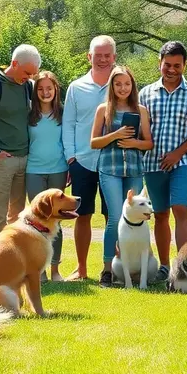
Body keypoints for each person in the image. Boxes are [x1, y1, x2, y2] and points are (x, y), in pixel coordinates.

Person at [138, 41, 187, 282]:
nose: (172, 69)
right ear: (160, 64)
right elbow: (140, 130)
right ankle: (165, 265)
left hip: (182, 161)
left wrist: (178, 153)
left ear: (185, 65)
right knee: (160, 214)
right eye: (167, 65)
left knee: (180, 208)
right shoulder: (145, 93)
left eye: (177, 65)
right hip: (153, 163)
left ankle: (183, 266)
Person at [91, 66, 154, 287]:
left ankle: (136, 268)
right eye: (118, 84)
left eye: (127, 84)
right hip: (109, 169)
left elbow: (148, 143)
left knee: (134, 220)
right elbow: (94, 142)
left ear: (132, 85)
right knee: (116, 218)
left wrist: (133, 143)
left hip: (134, 170)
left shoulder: (141, 110)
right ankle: (107, 269)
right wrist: (116, 135)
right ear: (112, 86)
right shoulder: (103, 110)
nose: (122, 88)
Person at [62, 35, 117, 280]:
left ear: (114, 57)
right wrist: (71, 158)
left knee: (112, 216)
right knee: (82, 215)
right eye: (98, 55)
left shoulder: (122, 85)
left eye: (107, 55)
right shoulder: (76, 87)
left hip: (114, 160)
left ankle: (114, 268)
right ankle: (81, 268)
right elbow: (69, 124)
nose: (103, 60)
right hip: (82, 161)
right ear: (89, 57)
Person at [0, 44, 41, 242]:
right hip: (0, 161)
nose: (29, 77)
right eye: (27, 72)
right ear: (14, 63)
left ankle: (14, 264)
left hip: (24, 159)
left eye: (33, 74)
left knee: (18, 215)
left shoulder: (28, 87)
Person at [26, 70, 69, 282]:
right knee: (38, 220)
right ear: (35, 92)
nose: (45, 92)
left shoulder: (63, 113)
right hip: (33, 170)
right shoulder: (28, 114)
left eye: (49, 89)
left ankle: (55, 270)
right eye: (40, 89)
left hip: (58, 170)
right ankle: (39, 270)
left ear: (55, 90)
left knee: (56, 221)